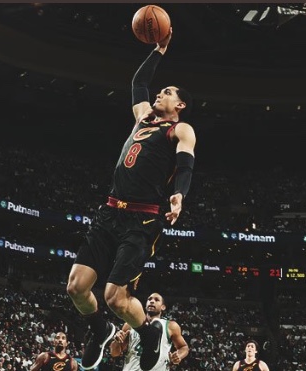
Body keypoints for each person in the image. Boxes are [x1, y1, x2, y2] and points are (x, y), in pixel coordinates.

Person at [66, 28, 197, 371]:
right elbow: (138, 82)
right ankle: (99, 328)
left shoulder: (179, 129)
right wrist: (159, 50)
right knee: (76, 288)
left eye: (167, 92)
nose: (159, 93)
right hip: (109, 211)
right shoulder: (143, 117)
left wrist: (179, 195)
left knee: (114, 297)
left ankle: (148, 334)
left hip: (141, 219)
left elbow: (185, 164)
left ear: (179, 105)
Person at [109, 293, 189, 371]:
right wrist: (117, 341)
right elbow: (114, 353)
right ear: (145, 305)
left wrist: (179, 355)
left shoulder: (170, 326)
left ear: (163, 307)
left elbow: (184, 347)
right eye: (149, 299)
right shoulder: (129, 324)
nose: (152, 301)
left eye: (156, 300)